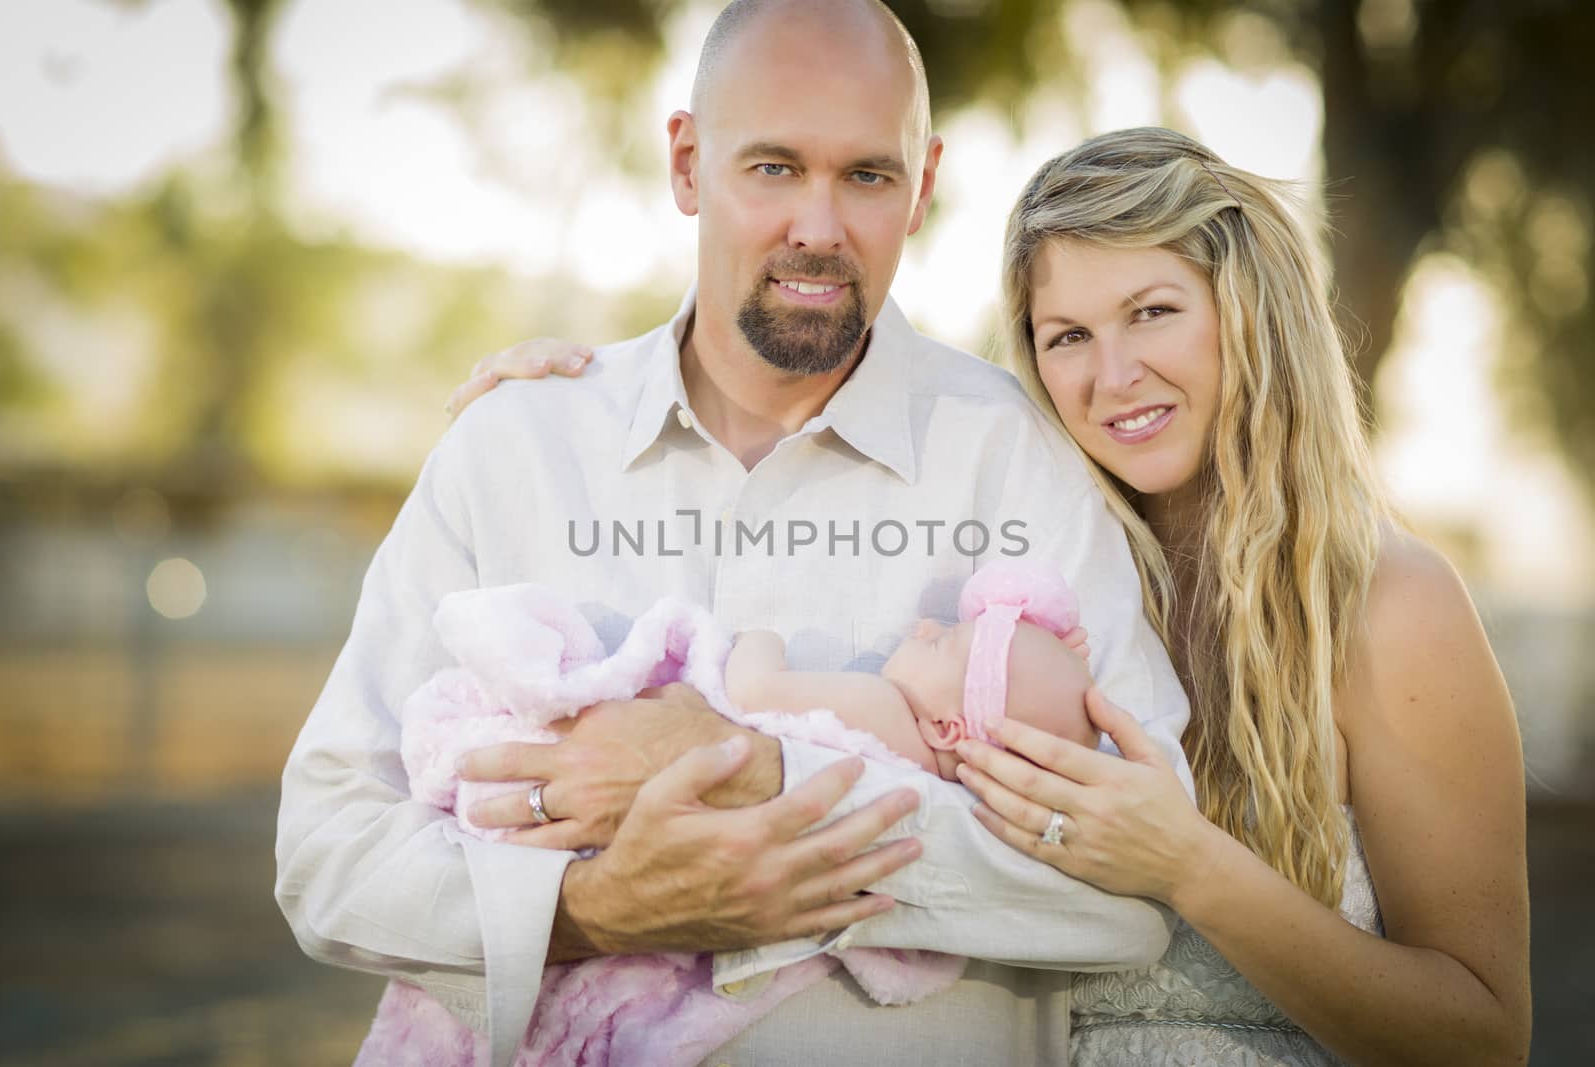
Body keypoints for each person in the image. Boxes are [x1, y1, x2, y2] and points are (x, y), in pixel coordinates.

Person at [460, 129, 1533, 1064]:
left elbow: (1485, 1035)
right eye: (1066, 335)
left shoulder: (1388, 603)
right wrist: (561, 415)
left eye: (1151, 311)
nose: (1110, 377)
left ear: (1250, 314)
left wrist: (1188, 865)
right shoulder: (1021, 576)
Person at [275, 4, 1192, 1067]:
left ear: (924, 185)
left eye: (866, 175)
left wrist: (771, 780)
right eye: (771, 168)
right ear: (686, 162)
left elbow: (1135, 890)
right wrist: (591, 906)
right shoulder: (515, 449)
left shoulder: (1021, 455)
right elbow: (328, 850)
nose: (818, 225)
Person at [727, 558, 1099, 779]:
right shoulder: (932, 774)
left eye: (939, 642)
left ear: (945, 728)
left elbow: (752, 693)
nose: (926, 627)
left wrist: (757, 638)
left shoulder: (883, 707)